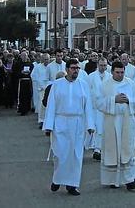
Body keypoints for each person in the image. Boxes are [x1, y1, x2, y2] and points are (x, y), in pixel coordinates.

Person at [43, 59, 95, 196]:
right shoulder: (57, 85)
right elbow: (51, 105)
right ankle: (57, 180)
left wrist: (90, 125)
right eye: (73, 68)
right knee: (61, 154)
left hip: (78, 122)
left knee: (76, 155)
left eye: (77, 68)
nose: (76, 70)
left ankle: (72, 184)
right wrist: (48, 126)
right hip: (60, 122)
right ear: (67, 69)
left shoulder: (83, 85)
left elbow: (88, 106)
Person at [95, 61, 135, 190]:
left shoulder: (130, 84)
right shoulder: (105, 85)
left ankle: (130, 180)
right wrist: (113, 100)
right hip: (112, 121)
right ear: (112, 72)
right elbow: (98, 103)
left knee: (127, 149)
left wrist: (129, 100)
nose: (120, 75)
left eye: (122, 72)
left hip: (127, 121)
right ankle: (112, 179)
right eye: (117, 72)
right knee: (113, 150)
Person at [86, 58, 111, 160]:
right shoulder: (91, 77)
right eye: (101, 65)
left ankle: (101, 148)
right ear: (97, 65)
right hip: (94, 106)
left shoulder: (109, 77)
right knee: (95, 127)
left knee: (103, 128)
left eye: (105, 65)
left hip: (105, 107)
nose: (103, 67)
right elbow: (87, 90)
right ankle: (95, 148)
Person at [31, 53, 51, 127]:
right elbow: (33, 76)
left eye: (47, 59)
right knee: (41, 105)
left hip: (50, 88)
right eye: (45, 59)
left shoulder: (51, 67)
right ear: (42, 59)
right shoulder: (37, 67)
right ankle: (41, 120)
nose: (46, 61)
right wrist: (40, 85)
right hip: (41, 88)